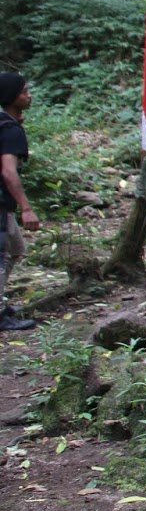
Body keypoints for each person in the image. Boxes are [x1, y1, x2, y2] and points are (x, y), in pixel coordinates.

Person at [0, 73, 38, 331]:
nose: (29, 96)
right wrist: (26, 207)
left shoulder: (6, 124)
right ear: (13, 98)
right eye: (24, 92)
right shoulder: (10, 130)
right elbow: (8, 172)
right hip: (1, 204)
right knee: (2, 257)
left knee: (16, 249)